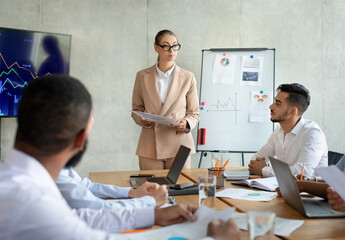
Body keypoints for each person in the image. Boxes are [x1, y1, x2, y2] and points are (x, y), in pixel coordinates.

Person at [0, 74, 240, 240]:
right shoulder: (30, 200)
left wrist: (154, 214)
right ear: (81, 138)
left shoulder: (20, 181)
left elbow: (77, 219)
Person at [132, 29, 200, 170]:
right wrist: (142, 120)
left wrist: (186, 123)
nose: (171, 50)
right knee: (151, 190)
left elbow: (194, 112)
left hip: (179, 142)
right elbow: (136, 109)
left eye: (175, 45)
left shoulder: (188, 77)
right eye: (166, 45)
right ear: (156, 47)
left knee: (179, 189)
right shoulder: (142, 76)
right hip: (150, 145)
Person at [248, 83, 328, 177]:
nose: (271, 107)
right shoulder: (279, 130)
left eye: (278, 104)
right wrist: (258, 166)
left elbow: (301, 174)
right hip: (282, 188)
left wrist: (264, 170)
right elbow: (258, 158)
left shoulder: (312, 134)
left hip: (309, 191)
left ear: (292, 111)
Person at [57, 166, 168, 210]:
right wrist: (150, 202)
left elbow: (87, 186)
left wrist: (132, 192)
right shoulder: (56, 175)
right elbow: (99, 208)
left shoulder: (62, 165)